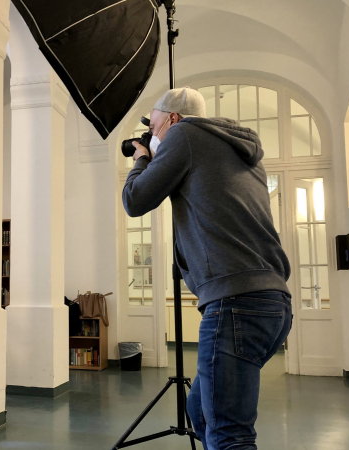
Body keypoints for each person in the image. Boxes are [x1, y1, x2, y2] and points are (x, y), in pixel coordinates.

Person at [122, 87, 292, 450]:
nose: (151, 135)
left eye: (152, 127)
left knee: (229, 435)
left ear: (172, 118)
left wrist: (142, 158)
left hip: (235, 302)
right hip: (273, 302)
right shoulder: (239, 149)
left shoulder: (184, 134)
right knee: (200, 413)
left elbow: (135, 200)